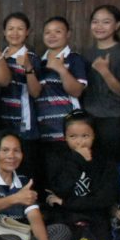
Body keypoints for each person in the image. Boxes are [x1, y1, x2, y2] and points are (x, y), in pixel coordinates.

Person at [45, 110, 118, 240]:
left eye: (85, 136)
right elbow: (60, 188)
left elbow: (104, 200)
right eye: (73, 137)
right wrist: (77, 160)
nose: (80, 142)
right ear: (65, 137)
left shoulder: (105, 161)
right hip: (65, 217)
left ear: (94, 135)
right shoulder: (56, 157)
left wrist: (66, 203)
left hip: (95, 217)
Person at [34, 16, 88, 186]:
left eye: (58, 31)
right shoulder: (38, 62)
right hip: (44, 132)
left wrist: (61, 69)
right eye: (48, 32)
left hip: (67, 132)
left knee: (70, 177)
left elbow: (77, 90)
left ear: (68, 34)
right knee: (49, 178)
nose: (52, 35)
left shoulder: (74, 59)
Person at [82, 5, 120, 164]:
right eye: (95, 22)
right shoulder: (87, 53)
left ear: (117, 25)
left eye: (106, 22)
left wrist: (105, 71)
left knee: (110, 165)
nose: (99, 26)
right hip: (88, 117)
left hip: (112, 119)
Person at [0, 12, 41, 177]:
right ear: (4, 32)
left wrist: (28, 67)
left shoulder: (32, 58)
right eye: (10, 29)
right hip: (2, 120)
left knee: (25, 171)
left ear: (27, 32)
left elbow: (36, 92)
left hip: (24, 124)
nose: (14, 33)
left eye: (20, 29)